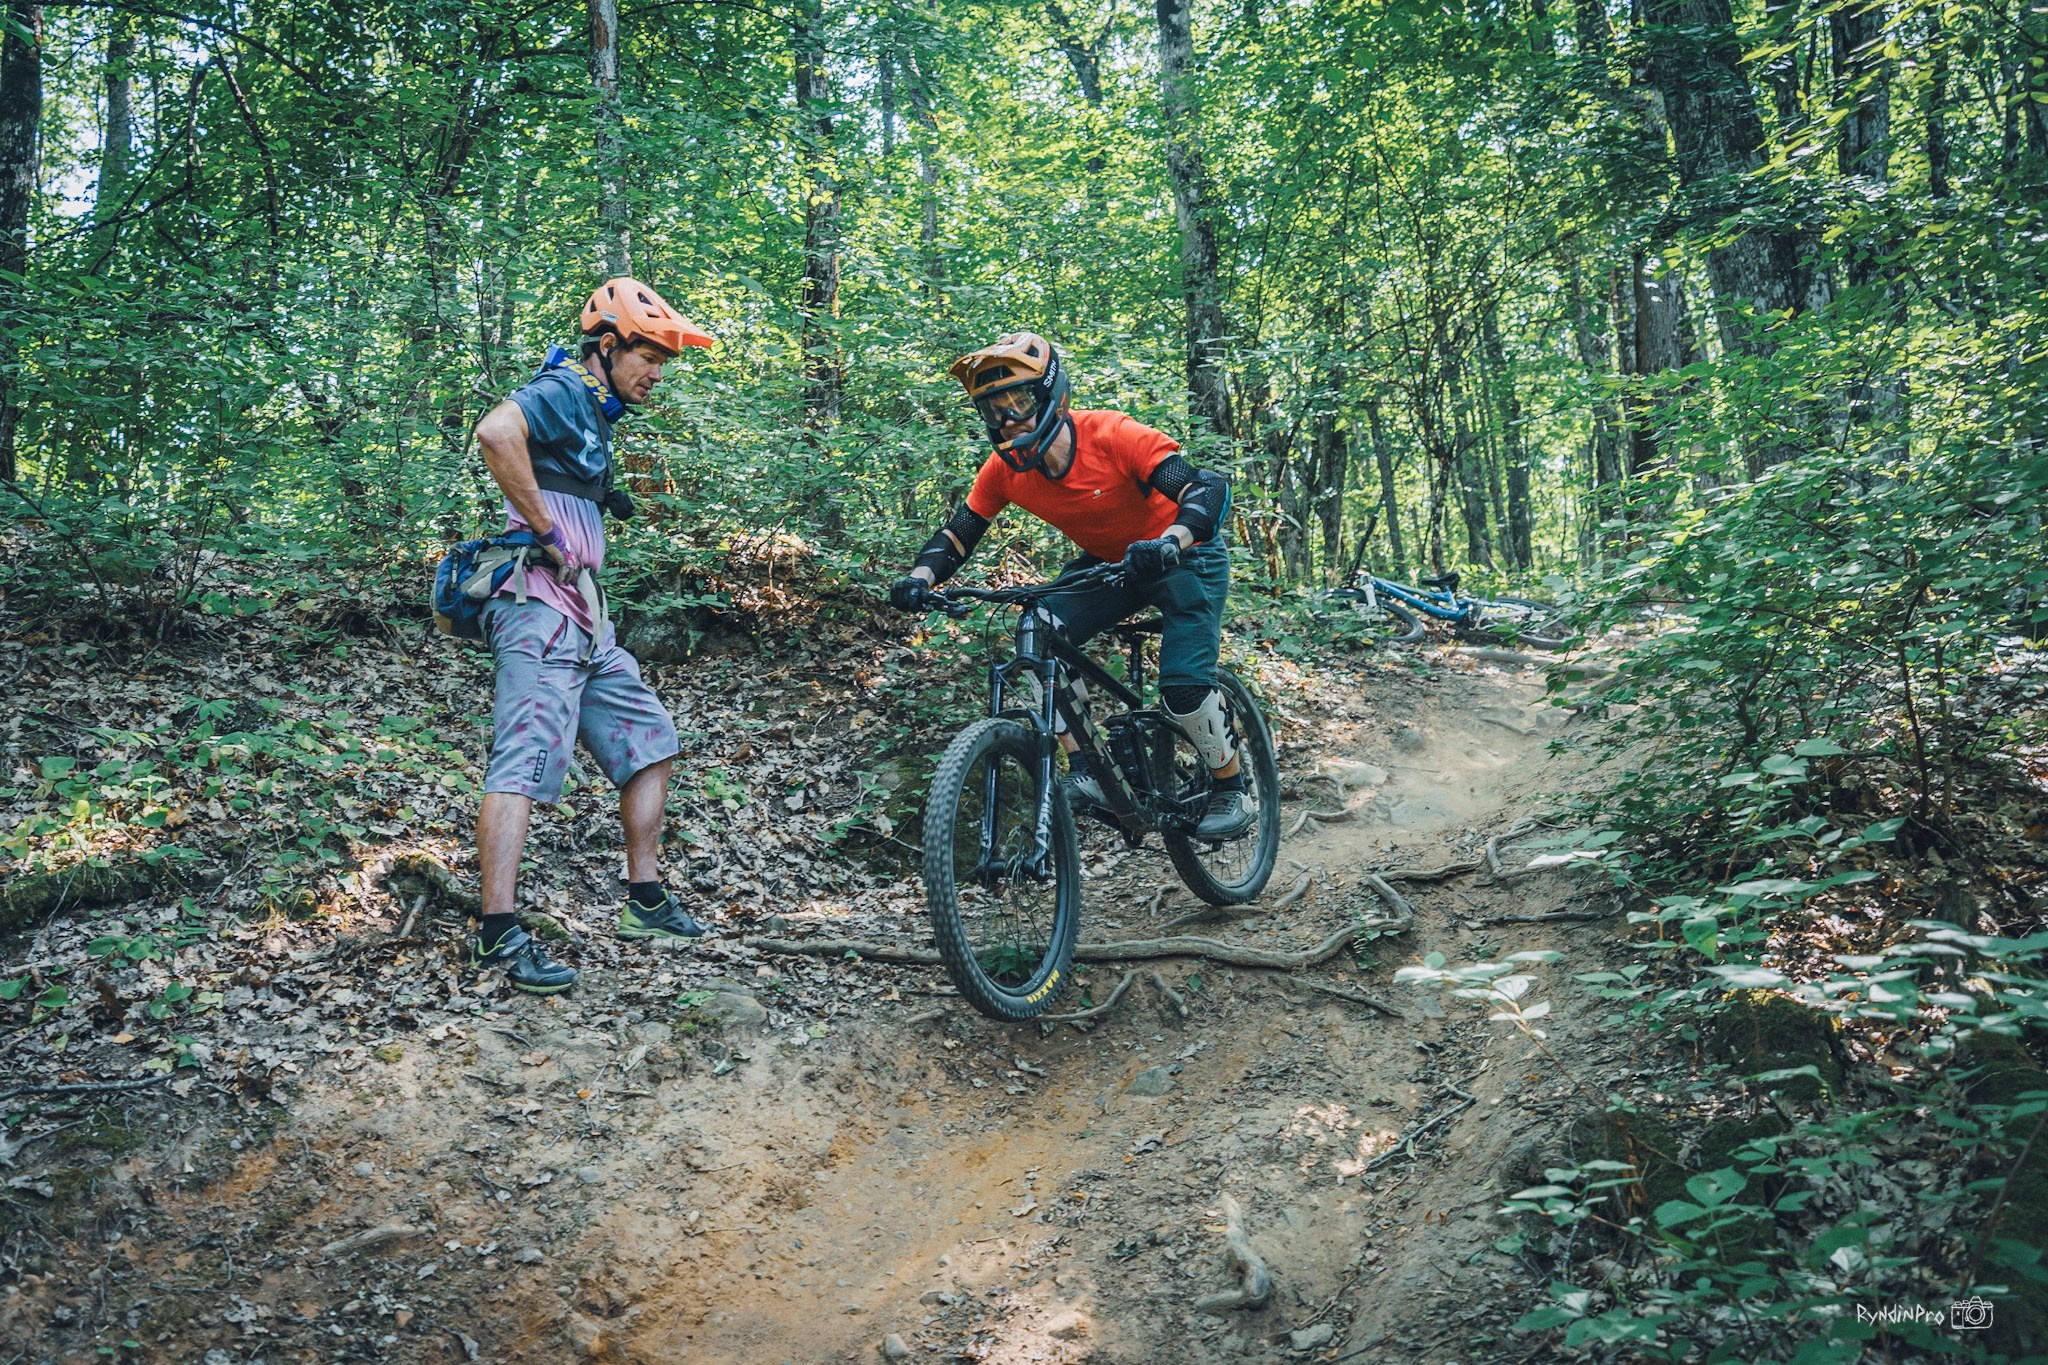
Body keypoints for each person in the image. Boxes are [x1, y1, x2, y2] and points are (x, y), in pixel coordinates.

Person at [887, 332, 1250, 840]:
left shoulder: (1111, 434)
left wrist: (1172, 538)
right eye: (995, 410)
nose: (1010, 420)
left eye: (1020, 401)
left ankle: (1231, 787)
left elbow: (1205, 487)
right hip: (1111, 563)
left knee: (1185, 687)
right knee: (1037, 629)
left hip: (1184, 553)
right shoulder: (1004, 471)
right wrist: (919, 579)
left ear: (1052, 394)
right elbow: (960, 531)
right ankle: (1088, 768)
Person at [464, 277, 715, 994]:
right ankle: (498, 933)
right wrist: (547, 529)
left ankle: (644, 901)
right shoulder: (565, 386)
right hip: (538, 605)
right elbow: (495, 431)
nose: (658, 374)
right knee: (522, 760)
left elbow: (555, 465)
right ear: (609, 346)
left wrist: (601, 499)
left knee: (650, 737)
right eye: (651, 357)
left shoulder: (593, 409)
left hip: (583, 614)